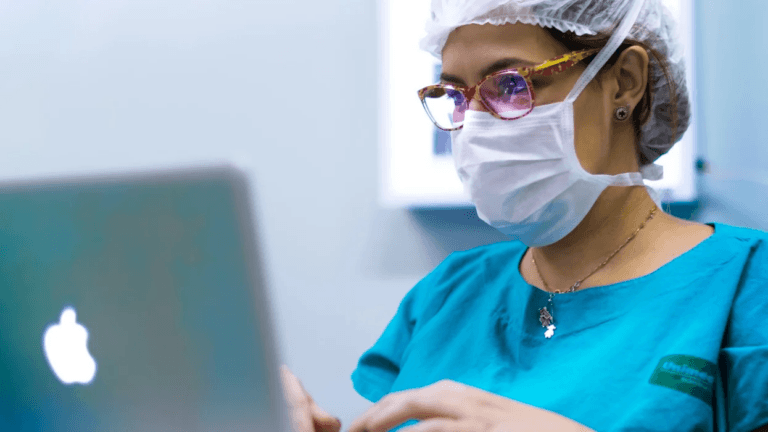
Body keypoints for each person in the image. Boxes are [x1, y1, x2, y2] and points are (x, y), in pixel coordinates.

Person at [282, 0, 768, 431]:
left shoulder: (745, 286)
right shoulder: (448, 295)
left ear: (625, 82)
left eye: (510, 85)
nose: (474, 126)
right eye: (455, 95)